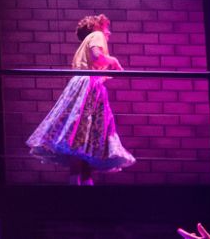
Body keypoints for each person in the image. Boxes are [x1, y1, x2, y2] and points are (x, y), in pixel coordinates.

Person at [26, 14, 135, 184]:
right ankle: (82, 183)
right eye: (106, 28)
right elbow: (97, 56)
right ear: (96, 27)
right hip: (88, 87)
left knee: (79, 136)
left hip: (81, 85)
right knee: (85, 134)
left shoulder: (82, 46)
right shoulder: (96, 35)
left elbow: (92, 63)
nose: (109, 33)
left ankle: (79, 181)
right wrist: (113, 60)